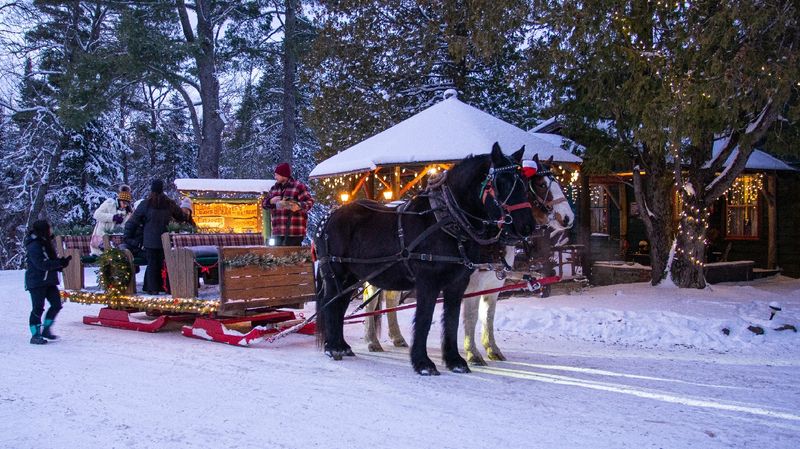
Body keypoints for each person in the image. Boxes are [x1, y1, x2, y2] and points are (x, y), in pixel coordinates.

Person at [127, 179, 190, 295]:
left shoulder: (145, 204)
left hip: (149, 240)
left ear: (152, 189)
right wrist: (187, 218)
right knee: (164, 263)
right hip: (165, 239)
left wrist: (128, 236)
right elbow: (180, 216)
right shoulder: (169, 203)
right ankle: (165, 286)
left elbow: (133, 221)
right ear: (162, 189)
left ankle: (152, 288)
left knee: (152, 263)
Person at [24, 219, 71, 344]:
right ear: (43, 230)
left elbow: (51, 261)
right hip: (36, 281)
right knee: (38, 308)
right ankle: (35, 335)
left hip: (49, 280)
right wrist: (58, 263)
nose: (51, 230)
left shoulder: (46, 243)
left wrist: (62, 264)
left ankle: (46, 329)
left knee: (56, 304)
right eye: (48, 228)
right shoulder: (34, 245)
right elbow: (41, 264)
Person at [262, 162, 314, 246]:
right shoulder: (274, 188)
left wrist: (298, 206)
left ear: (283, 175)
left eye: (277, 175)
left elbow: (309, 202)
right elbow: (264, 204)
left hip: (294, 231)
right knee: (277, 256)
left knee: (292, 256)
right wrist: (271, 201)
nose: (275, 177)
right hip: (277, 232)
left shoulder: (298, 187)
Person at [90, 184, 133, 255]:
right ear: (119, 200)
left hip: (115, 241)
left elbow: (124, 227)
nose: (125, 205)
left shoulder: (127, 213)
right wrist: (112, 217)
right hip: (101, 237)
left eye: (127, 204)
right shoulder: (109, 204)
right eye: (124, 203)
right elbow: (96, 215)